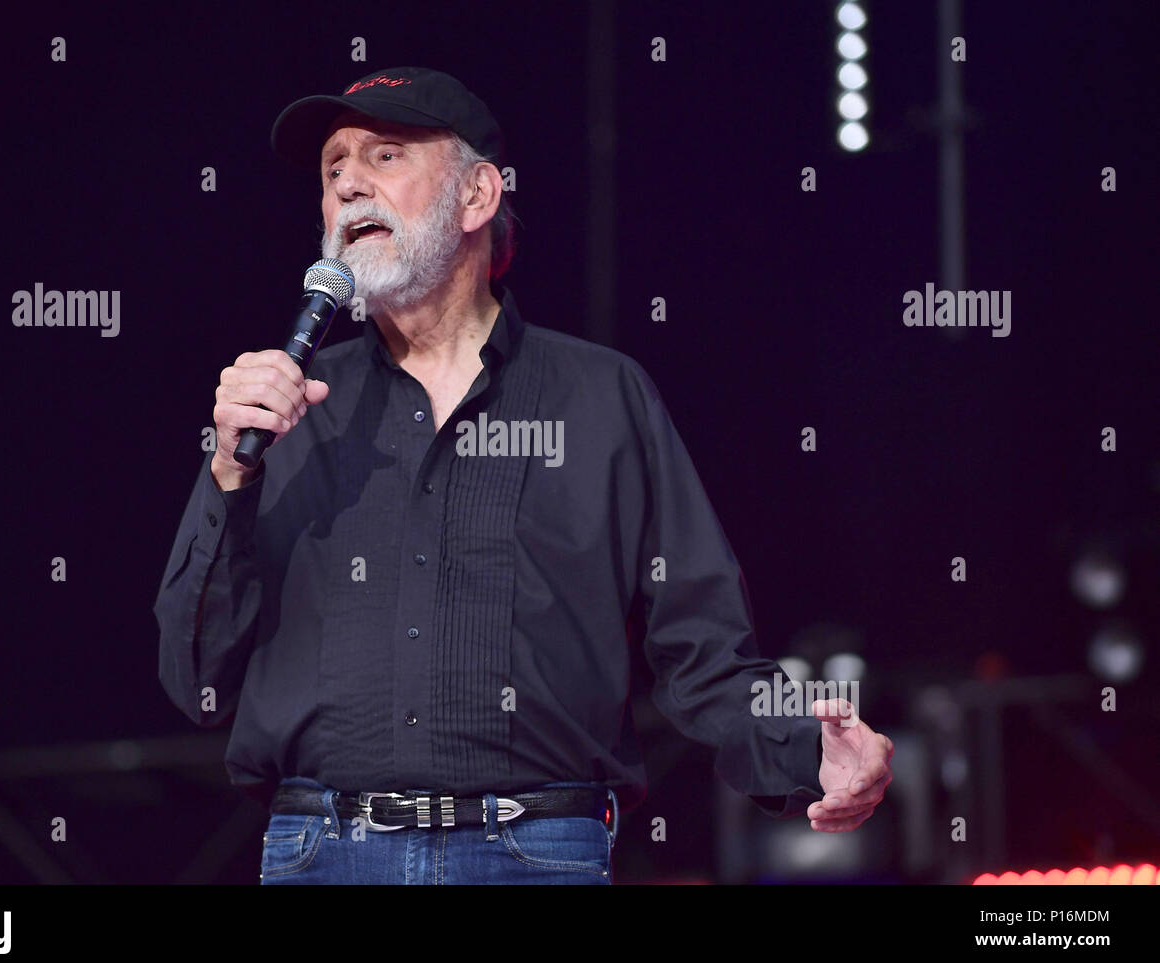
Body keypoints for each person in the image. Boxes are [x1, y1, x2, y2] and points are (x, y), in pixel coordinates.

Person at [154, 67, 892, 885]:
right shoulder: (288, 413)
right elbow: (194, 677)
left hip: (533, 856)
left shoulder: (601, 399)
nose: (351, 184)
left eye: (385, 155)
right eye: (334, 170)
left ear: (477, 196)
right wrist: (229, 470)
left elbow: (702, 650)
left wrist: (804, 747)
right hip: (322, 854)